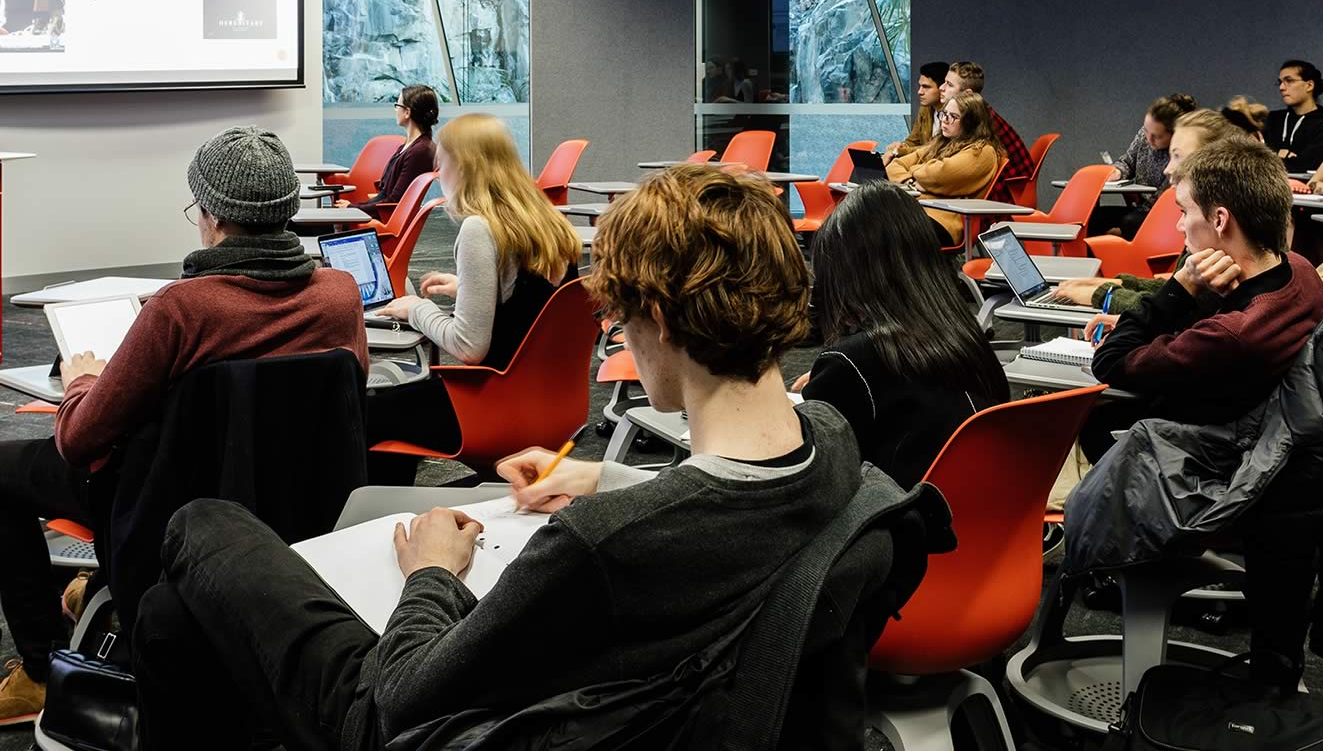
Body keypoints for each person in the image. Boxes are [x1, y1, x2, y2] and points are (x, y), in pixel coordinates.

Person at [130, 163, 948, 750]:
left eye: (620, 320)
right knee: (175, 613)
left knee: (202, 525)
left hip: (396, 713)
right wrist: (604, 473)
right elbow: (735, 494)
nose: (618, 338)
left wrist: (433, 576)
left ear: (657, 317)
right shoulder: (840, 455)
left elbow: (398, 702)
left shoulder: (601, 545)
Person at [0, 127, 368, 729]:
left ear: (213, 215)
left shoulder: (181, 308)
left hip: (168, 509)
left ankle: (38, 672)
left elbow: (80, 439)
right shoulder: (339, 295)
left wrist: (82, 381)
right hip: (293, 501)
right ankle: (100, 585)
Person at [1084, 139, 1323, 459]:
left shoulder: (1230, 336)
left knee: (1094, 421)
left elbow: (1110, 361)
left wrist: (1182, 283)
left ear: (1219, 220)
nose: (1179, 224)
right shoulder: (1299, 268)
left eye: (1184, 211)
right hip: (1253, 442)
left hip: (1191, 461)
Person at [365, 113, 580, 473]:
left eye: (442, 163)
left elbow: (468, 346)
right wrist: (467, 287)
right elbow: (530, 303)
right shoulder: (548, 220)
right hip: (550, 403)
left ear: (464, 166)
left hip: (492, 405)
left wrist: (417, 308)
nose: (439, 174)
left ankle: (377, 517)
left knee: (364, 413)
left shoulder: (480, 228)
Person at [803, 184, 1008, 485]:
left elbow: (816, 473)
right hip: (979, 517)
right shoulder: (965, 338)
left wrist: (830, 381)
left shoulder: (851, 362)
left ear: (849, 277)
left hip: (899, 523)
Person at [1050, 108, 1253, 315]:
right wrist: (1116, 283)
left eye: (1177, 156)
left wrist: (1105, 294)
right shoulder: (1208, 232)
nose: (1167, 169)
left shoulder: (1221, 243)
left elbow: (1177, 311)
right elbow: (1176, 291)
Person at [887, 90, 1006, 247]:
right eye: (944, 114)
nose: (944, 120)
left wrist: (918, 172)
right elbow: (895, 165)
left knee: (878, 229)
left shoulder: (982, 151)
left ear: (971, 122)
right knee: (866, 221)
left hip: (944, 221)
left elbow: (937, 174)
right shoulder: (942, 143)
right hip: (918, 211)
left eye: (953, 117)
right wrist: (911, 181)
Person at [941, 61, 1033, 185]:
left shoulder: (979, 119)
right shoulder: (972, 112)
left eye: (950, 85)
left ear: (968, 93)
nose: (942, 87)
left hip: (1008, 190)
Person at [361, 84, 438, 221]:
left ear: (407, 112)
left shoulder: (419, 152)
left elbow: (393, 203)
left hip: (384, 221)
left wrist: (351, 209)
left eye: (397, 105)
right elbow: (385, 196)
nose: (395, 110)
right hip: (379, 215)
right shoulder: (410, 147)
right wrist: (352, 207)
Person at [1109, 94, 1199, 185]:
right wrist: (1118, 172)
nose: (1148, 139)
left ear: (1175, 134)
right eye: (1146, 130)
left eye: (1157, 136)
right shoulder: (1144, 135)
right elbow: (1127, 163)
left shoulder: (1183, 153)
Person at [1266, 60, 1323, 172]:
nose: (1281, 87)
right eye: (1280, 82)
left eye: (1289, 81)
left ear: (1309, 85)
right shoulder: (1272, 119)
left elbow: (1309, 163)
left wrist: (1275, 157)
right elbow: (1258, 160)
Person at [888, 60, 950, 159]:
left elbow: (938, 149)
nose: (919, 92)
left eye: (926, 87)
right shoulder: (925, 109)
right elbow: (913, 141)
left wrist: (900, 151)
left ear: (942, 88)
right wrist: (901, 146)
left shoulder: (955, 115)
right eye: (920, 86)